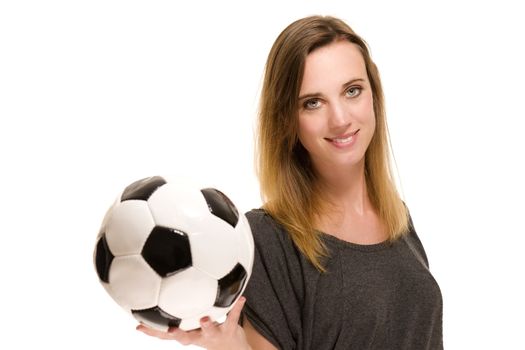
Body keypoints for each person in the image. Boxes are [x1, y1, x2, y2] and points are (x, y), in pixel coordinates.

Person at [137, 15, 443, 349]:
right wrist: (229, 346)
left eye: (352, 91)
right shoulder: (269, 239)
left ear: (374, 95)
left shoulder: (397, 216)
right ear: (287, 119)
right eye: (313, 102)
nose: (340, 119)